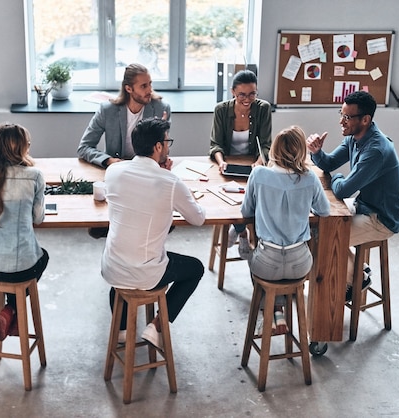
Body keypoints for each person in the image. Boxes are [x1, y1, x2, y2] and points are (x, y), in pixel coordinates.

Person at [101, 117, 206, 348]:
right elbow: (197, 219)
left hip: (112, 267)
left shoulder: (113, 172)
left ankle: (121, 330)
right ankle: (157, 325)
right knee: (195, 268)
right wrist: (169, 177)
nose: (168, 146)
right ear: (158, 146)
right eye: (167, 141)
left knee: (123, 273)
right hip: (146, 273)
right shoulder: (170, 182)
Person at [306, 91, 399, 302]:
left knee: (321, 240)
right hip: (364, 206)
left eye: (347, 117)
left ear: (365, 119)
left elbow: (343, 190)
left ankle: (357, 277)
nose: (341, 122)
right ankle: (357, 267)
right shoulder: (354, 137)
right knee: (315, 227)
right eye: (341, 115)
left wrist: (338, 177)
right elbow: (330, 163)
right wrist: (316, 152)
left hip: (381, 219)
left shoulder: (376, 150)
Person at [239, 126, 330, 334]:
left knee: (251, 257)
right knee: (282, 270)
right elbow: (324, 211)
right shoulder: (309, 178)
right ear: (301, 152)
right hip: (300, 262)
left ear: (274, 150)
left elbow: (246, 210)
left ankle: (272, 312)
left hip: (266, 261)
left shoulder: (259, 174)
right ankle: (278, 311)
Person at [0, 123, 50, 341]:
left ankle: (9, 311)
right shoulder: (34, 176)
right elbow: (38, 219)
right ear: (21, 148)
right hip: (24, 266)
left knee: (8, 268)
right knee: (43, 256)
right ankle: (12, 309)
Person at [209, 69, 272, 247]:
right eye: (241, 95)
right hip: (228, 166)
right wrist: (222, 163)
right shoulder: (221, 110)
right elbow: (215, 145)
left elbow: (266, 144)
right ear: (233, 92)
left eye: (252, 94)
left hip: (253, 165)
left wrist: (258, 164)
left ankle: (241, 232)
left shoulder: (263, 108)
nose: (247, 99)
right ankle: (241, 232)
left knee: (254, 197)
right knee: (230, 198)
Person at [77, 63, 171, 169]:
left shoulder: (161, 109)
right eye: (144, 86)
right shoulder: (107, 111)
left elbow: (163, 151)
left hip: (146, 170)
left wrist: (161, 138)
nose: (149, 90)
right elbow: (84, 147)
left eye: (150, 84)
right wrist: (109, 160)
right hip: (117, 170)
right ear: (129, 89)